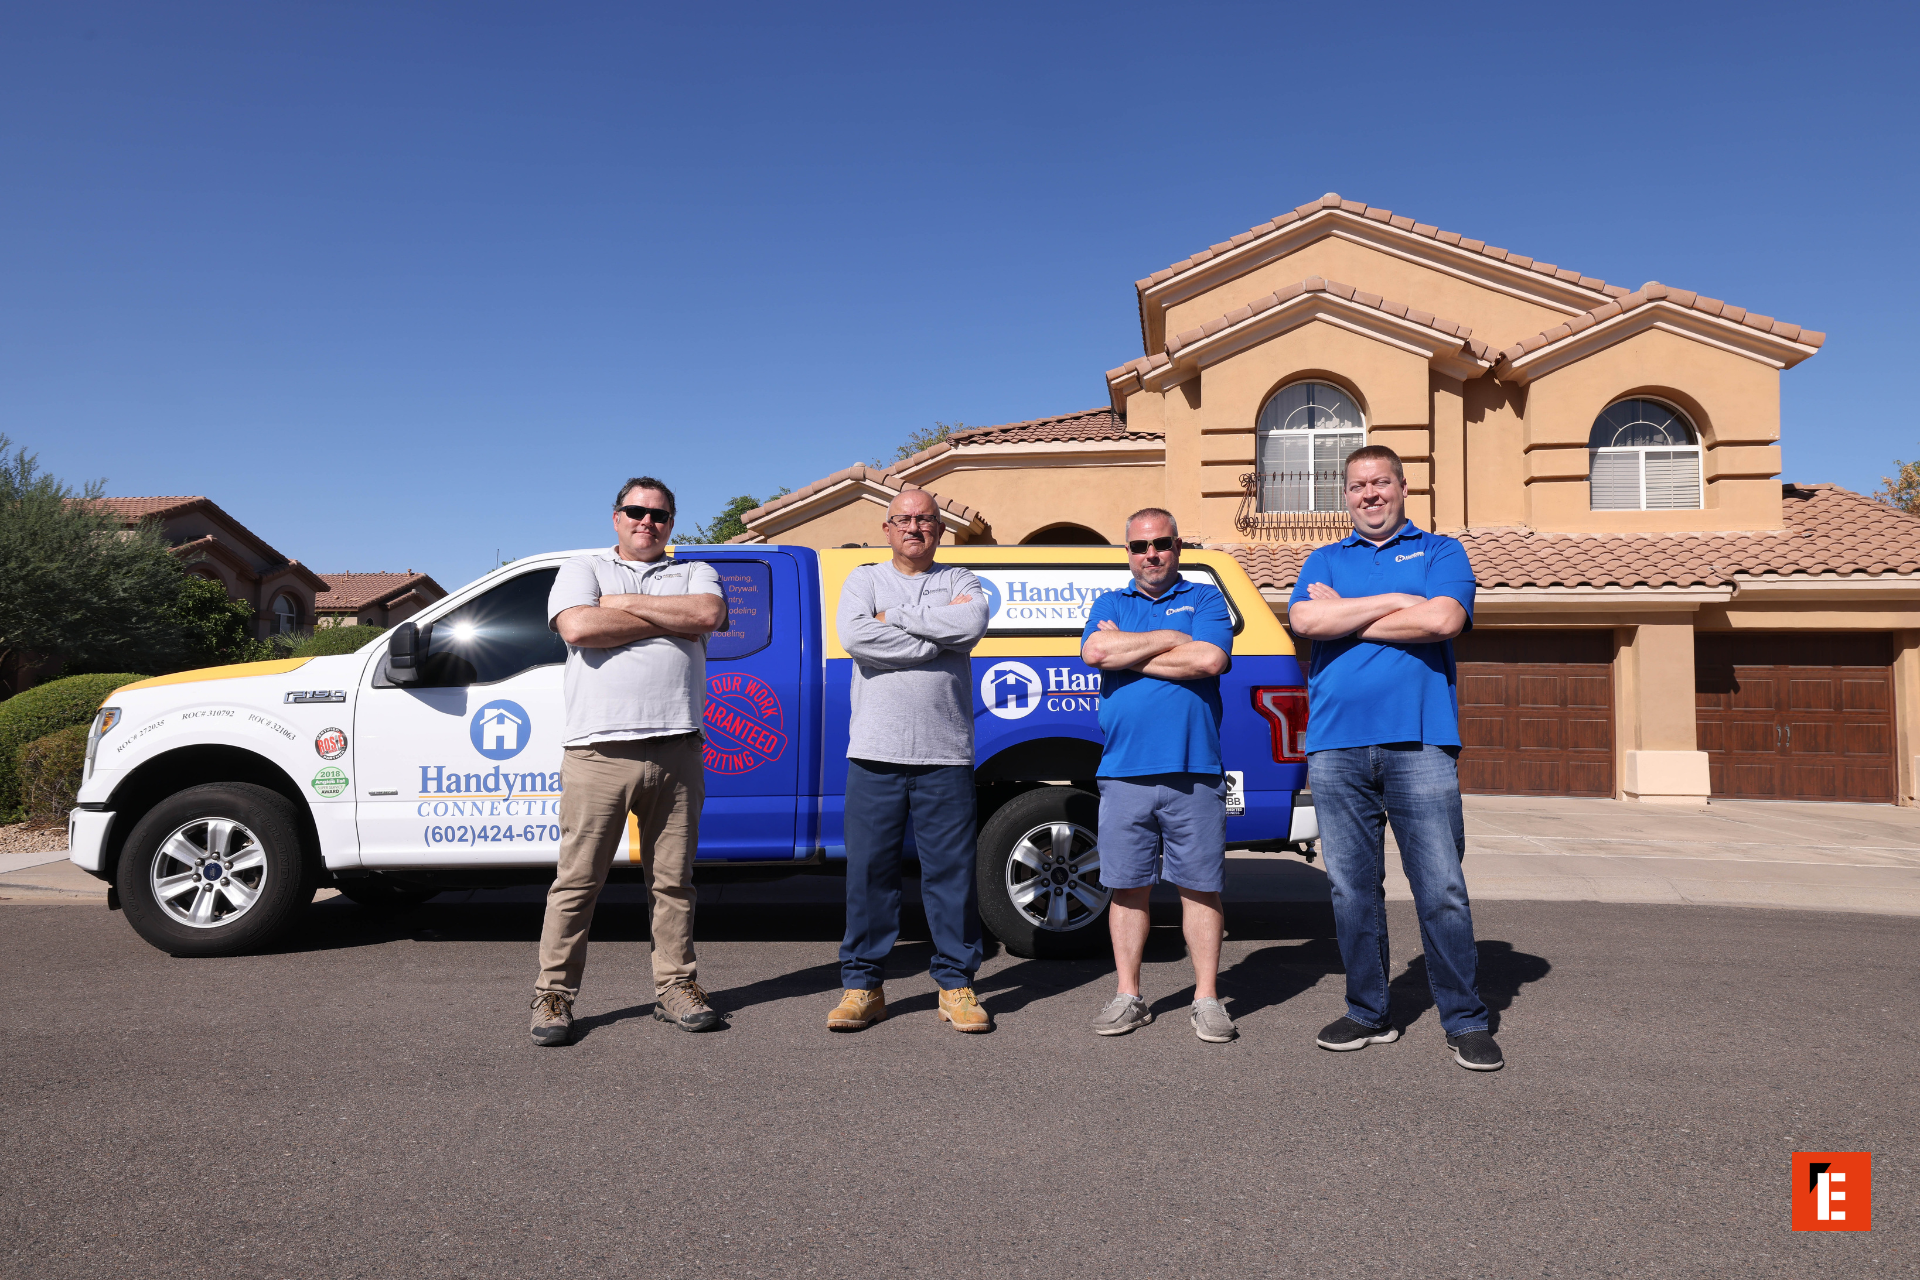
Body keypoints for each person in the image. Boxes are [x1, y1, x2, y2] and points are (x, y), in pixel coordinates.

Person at [1286, 445, 1502, 1071]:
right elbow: (1304, 619)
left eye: (1382, 482)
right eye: (1358, 486)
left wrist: (1345, 616)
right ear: (1346, 496)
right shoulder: (1323, 558)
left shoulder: (1440, 552)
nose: (1370, 494)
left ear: (1404, 489)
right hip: (1334, 749)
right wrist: (1395, 602)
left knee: (1441, 890)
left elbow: (1442, 619)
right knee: (1352, 891)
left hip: (1421, 745)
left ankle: (1464, 1019)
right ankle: (1367, 1012)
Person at [528, 476, 728, 1047]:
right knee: (577, 883)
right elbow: (578, 626)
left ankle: (676, 987)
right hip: (599, 750)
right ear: (616, 517)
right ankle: (554, 996)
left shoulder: (695, 572)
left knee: (675, 883)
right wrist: (669, 616)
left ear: (671, 523)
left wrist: (622, 606)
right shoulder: (582, 569)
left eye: (660, 515)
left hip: (678, 749)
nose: (648, 521)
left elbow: (709, 614)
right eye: (636, 511)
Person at [827, 488, 993, 1033]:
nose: (914, 528)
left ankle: (956, 984)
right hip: (874, 752)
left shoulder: (961, 582)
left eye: (925, 520)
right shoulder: (863, 579)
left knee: (950, 874)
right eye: (903, 519)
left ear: (940, 529)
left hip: (945, 754)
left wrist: (896, 617)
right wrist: (932, 639)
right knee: (869, 873)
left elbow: (967, 627)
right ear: (886, 528)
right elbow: (856, 635)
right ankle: (862, 985)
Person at [1079, 508, 1237, 1043]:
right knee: (1127, 890)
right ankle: (1129, 996)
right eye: (1140, 546)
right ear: (1127, 552)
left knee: (1201, 889)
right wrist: (1173, 637)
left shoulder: (1208, 598)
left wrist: (1130, 650)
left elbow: (1210, 661)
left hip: (1195, 771)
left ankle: (1207, 999)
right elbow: (1095, 651)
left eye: (1162, 543)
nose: (1151, 554)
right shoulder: (1108, 604)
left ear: (1177, 546)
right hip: (1123, 773)